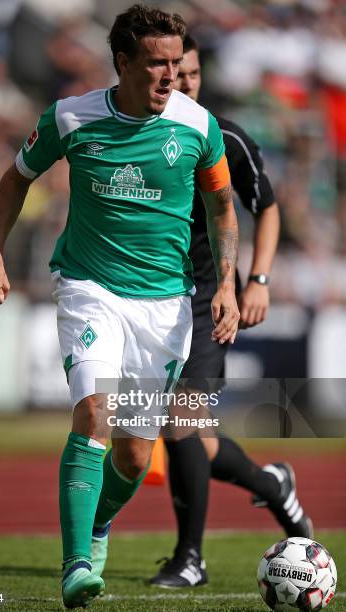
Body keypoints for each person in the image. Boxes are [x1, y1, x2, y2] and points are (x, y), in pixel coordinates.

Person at [0, 7, 240, 609]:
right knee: (95, 412)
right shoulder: (70, 118)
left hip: (167, 306)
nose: (171, 74)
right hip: (90, 288)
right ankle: (74, 566)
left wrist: (226, 283)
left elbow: (223, 207)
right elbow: (16, 178)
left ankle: (97, 529)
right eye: (157, 63)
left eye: (177, 62)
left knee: (134, 453)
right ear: (122, 63)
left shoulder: (198, 126)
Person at [149, 34, 313, 588]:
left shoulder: (227, 136)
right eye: (176, 71)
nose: (184, 81)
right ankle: (272, 486)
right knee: (191, 437)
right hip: (144, 297)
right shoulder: (139, 132)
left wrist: (257, 281)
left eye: (192, 72)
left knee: (181, 421)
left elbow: (266, 208)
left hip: (204, 297)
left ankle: (189, 558)